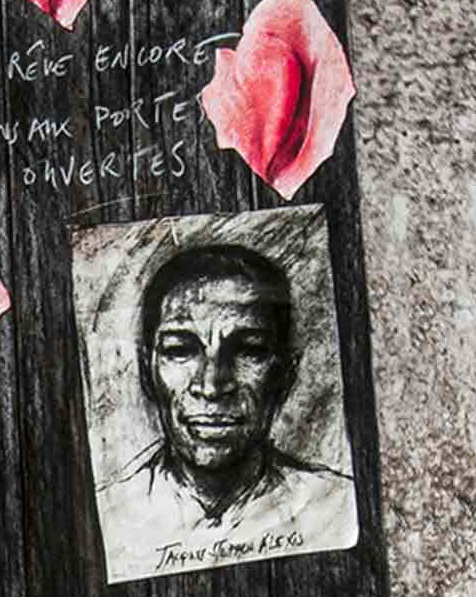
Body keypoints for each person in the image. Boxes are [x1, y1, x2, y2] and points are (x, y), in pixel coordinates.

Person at [93, 238, 358, 575]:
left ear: (285, 375)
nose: (212, 386)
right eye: (180, 350)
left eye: (249, 350)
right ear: (148, 373)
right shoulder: (108, 518)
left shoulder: (337, 508)